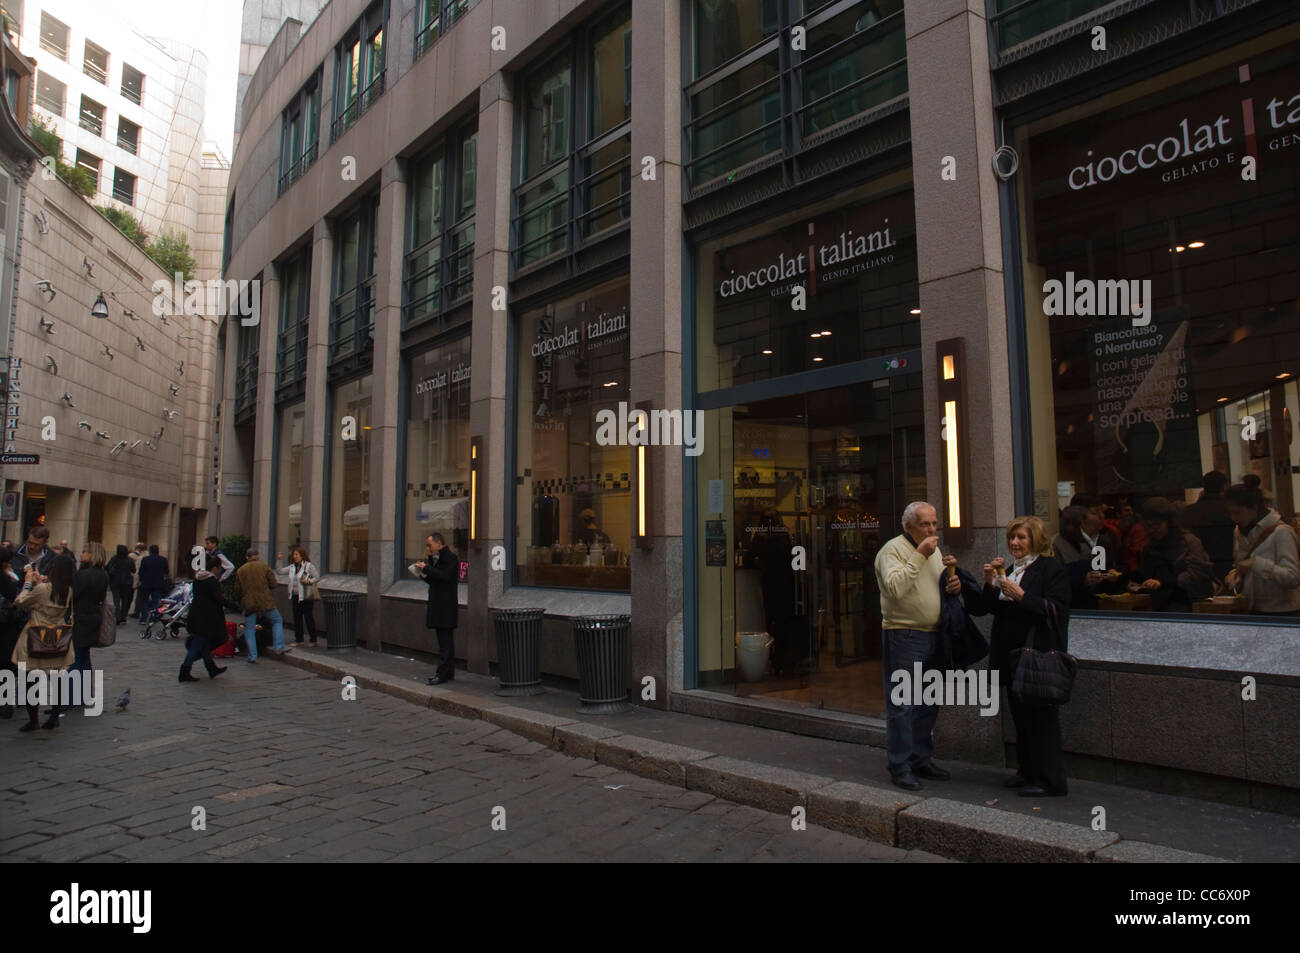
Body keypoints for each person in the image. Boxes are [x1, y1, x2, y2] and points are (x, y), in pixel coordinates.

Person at [976, 515, 1072, 797]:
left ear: (1036, 540)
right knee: (1020, 716)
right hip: (1012, 656)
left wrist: (1020, 595)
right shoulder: (1011, 569)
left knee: (1040, 720)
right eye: (1012, 537)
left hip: (1036, 656)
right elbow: (989, 608)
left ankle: (1050, 780)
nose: (1015, 543)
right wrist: (990, 584)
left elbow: (1056, 610)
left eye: (1022, 537)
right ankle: (1027, 772)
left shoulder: (1050, 569)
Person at [873, 500, 964, 791]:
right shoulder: (892, 550)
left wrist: (953, 584)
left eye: (934, 523)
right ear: (908, 525)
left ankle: (920, 758)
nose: (932, 529)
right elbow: (896, 588)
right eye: (925, 524)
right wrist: (919, 555)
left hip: (934, 633)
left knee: (928, 701)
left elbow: (929, 585)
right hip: (904, 634)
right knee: (903, 703)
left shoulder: (934, 550)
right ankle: (899, 765)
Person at [11, 553, 77, 731]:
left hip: (36, 636)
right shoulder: (68, 590)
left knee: (30, 680)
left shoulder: (43, 590)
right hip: (57, 637)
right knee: (56, 680)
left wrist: (27, 583)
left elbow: (21, 601)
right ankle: (54, 717)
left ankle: (33, 720)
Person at [1223, 484, 1300, 616]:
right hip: (1252, 608)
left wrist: (1256, 564)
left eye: (1237, 512)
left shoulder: (1282, 532)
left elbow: (1293, 578)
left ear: (1253, 508)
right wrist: (1235, 574)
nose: (1233, 518)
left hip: (1283, 611)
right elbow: (1243, 563)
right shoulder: (1239, 531)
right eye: (1230, 513)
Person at [1132, 497, 1214, 612]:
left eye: (1156, 525)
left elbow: (1197, 574)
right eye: (1147, 526)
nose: (1152, 530)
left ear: (1169, 522)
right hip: (1158, 605)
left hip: (1188, 604)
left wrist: (1164, 582)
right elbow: (1145, 574)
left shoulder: (1189, 542)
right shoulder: (1149, 547)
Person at [180, 554, 235, 682]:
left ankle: (211, 668)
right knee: (197, 646)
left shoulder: (198, 579)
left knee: (203, 644)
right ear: (214, 568)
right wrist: (235, 606)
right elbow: (219, 599)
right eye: (219, 568)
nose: (219, 571)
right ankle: (184, 670)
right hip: (206, 618)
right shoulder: (211, 581)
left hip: (196, 614)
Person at [417, 534, 459, 684]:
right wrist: (422, 573)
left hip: (445, 606)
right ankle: (448, 672)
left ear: (439, 543)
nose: (428, 548)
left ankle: (442, 674)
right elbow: (435, 580)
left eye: (430, 545)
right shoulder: (436, 559)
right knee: (445, 641)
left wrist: (427, 569)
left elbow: (445, 576)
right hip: (439, 605)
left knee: (445, 642)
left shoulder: (450, 558)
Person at [71, 542, 110, 698]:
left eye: (84, 552)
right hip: (94, 617)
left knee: (75, 658)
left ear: (92, 555)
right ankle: (85, 693)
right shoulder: (103, 574)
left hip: (81, 618)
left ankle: (70, 697)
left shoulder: (84, 575)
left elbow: (74, 595)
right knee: (84, 656)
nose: (81, 555)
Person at [1182, 471, 1236, 581]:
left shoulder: (1188, 512)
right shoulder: (1231, 510)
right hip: (1228, 569)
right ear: (1224, 487)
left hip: (1197, 571)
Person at [234, 550, 284, 662]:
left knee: (250, 629)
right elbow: (273, 584)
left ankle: (252, 656)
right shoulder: (264, 567)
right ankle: (278, 647)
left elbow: (237, 589)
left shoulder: (241, 570)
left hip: (249, 603)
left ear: (247, 557)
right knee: (277, 620)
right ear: (257, 556)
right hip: (265, 601)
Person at [275, 547, 320, 646]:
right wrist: (279, 560)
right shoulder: (292, 567)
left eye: (297, 555)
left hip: (306, 596)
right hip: (295, 595)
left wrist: (309, 581)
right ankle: (299, 639)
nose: (295, 557)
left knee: (308, 617)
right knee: (297, 617)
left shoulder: (308, 566)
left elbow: (317, 577)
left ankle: (313, 639)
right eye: (294, 555)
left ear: (302, 556)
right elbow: (279, 571)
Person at [0, 547, 24, 720]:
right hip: (6, 627)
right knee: (6, 667)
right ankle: (5, 703)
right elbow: (17, 597)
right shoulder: (8, 579)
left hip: (6, 626)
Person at [137, 544, 169, 622]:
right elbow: (166, 571)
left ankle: (144, 618)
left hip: (146, 583)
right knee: (155, 601)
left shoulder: (145, 559)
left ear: (150, 551)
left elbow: (141, 572)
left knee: (144, 601)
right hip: (158, 583)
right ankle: (153, 618)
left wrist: (141, 580)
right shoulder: (163, 559)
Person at [105, 544, 135, 625]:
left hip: (115, 582)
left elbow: (107, 568)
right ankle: (123, 616)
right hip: (126, 583)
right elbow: (134, 570)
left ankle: (117, 616)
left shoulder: (114, 559)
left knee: (116, 600)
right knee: (125, 600)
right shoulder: (129, 560)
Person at [129, 542, 146, 617]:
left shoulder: (133, 556)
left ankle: (136, 612)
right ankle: (140, 612)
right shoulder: (147, 556)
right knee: (142, 597)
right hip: (145, 580)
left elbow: (136, 571)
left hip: (136, 579)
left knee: (133, 596)